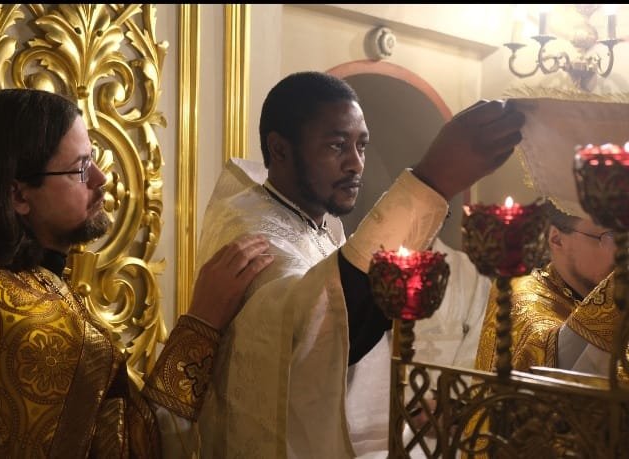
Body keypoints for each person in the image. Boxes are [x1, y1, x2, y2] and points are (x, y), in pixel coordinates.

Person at [0, 88, 274, 458]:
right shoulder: (47, 335)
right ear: (18, 195)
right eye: (82, 168)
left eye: (94, 159)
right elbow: (137, 449)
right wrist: (203, 322)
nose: (102, 178)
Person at [194, 71, 525, 457]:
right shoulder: (254, 234)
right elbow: (318, 325)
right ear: (280, 150)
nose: (356, 164)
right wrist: (433, 181)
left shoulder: (318, 224)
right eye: (337, 146)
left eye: (362, 146)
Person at [474, 200, 618, 377]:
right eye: (611, 236)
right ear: (556, 239)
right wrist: (618, 286)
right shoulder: (520, 291)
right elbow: (552, 363)